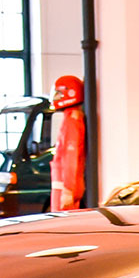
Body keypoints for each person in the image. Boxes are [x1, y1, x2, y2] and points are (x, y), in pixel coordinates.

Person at [49, 74, 86, 211]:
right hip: (62, 184)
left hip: (64, 186)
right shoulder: (70, 118)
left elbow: (70, 157)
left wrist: (68, 190)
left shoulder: (72, 121)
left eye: (59, 94)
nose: (56, 98)